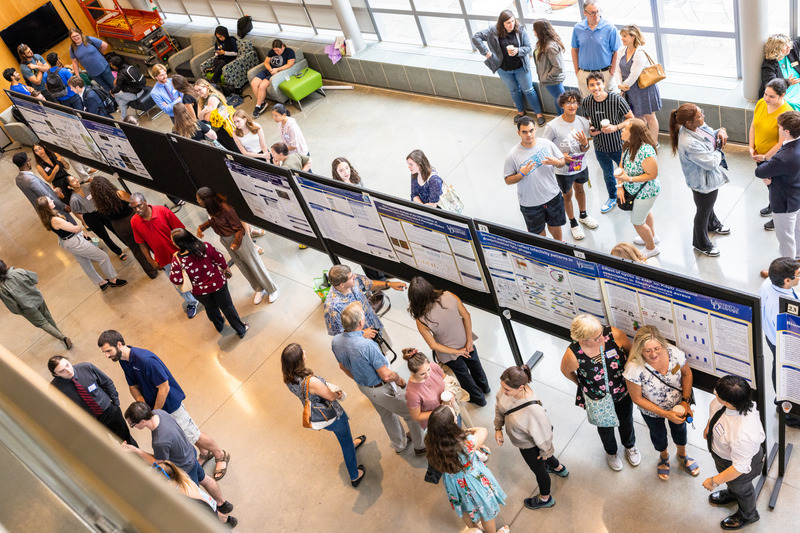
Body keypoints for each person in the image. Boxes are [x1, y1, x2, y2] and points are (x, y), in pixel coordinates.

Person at [98, 329, 231, 480]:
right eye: (104, 352)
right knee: (184, 435)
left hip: (169, 406)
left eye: (108, 351)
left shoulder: (146, 360)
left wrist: (154, 413)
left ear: (119, 344)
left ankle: (221, 455)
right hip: (155, 408)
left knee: (193, 434)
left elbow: (164, 388)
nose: (107, 355)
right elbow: (133, 386)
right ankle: (205, 453)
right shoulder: (124, 360)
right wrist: (142, 405)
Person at [332, 302, 426, 455]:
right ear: (361, 323)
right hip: (381, 388)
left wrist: (359, 377)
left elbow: (343, 367)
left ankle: (400, 444)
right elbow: (386, 375)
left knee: (386, 415)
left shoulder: (336, 341)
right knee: (411, 413)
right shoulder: (367, 346)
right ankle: (421, 446)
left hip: (364, 387)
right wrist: (398, 379)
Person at [122, 402, 234, 517]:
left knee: (199, 500)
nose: (133, 427)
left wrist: (136, 451)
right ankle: (223, 504)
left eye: (132, 425)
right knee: (204, 478)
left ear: (142, 422)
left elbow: (161, 464)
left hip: (185, 468)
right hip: (190, 453)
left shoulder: (159, 441)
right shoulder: (159, 413)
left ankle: (222, 518)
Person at [560, 314, 640, 471]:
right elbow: (566, 371)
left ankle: (630, 445)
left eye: (601, 333)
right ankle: (611, 452)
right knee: (604, 427)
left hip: (622, 391)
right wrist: (581, 384)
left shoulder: (614, 335)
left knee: (626, 419)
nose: (603, 338)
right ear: (582, 340)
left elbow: (631, 351)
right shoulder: (573, 354)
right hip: (596, 397)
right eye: (596, 338)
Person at [281, 343, 367, 486]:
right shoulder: (311, 382)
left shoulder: (289, 379)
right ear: (298, 361)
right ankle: (354, 475)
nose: (305, 351)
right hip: (333, 415)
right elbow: (331, 397)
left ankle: (351, 444)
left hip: (319, 416)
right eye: (302, 352)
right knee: (345, 443)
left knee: (343, 437)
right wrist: (337, 393)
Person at [623, 326, 698, 481]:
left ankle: (682, 454)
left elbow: (686, 373)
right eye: (647, 351)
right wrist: (665, 414)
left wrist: (685, 402)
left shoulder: (674, 354)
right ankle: (664, 457)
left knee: (680, 430)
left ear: (663, 344)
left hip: (678, 404)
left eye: (657, 348)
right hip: (652, 411)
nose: (654, 354)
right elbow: (637, 399)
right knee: (658, 435)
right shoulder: (634, 368)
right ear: (639, 349)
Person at [407, 276, 490, 407]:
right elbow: (466, 316)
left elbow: (433, 345)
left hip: (449, 353)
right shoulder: (449, 295)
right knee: (476, 367)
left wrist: (457, 351)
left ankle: (478, 399)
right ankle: (485, 388)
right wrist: (469, 340)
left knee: (464, 377)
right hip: (466, 342)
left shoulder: (421, 319)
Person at [495, 365, 567, 510]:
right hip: (525, 439)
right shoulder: (507, 390)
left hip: (530, 445)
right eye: (502, 387)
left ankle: (545, 498)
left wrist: (545, 452)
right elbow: (499, 407)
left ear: (521, 387)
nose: (503, 391)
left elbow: (544, 434)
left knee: (539, 469)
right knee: (543, 461)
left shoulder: (534, 410)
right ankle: (559, 469)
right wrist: (498, 428)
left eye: (507, 390)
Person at [426, 406, 508, 533]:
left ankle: (474, 529)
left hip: (451, 480)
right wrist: (462, 431)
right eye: (455, 416)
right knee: (485, 510)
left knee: (463, 506)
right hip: (472, 480)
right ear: (452, 426)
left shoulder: (430, 438)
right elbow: (482, 430)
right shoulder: (466, 443)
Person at [702, 375, 766, 530]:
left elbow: (739, 468)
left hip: (738, 465)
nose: (714, 391)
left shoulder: (743, 434)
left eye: (717, 391)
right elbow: (714, 416)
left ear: (728, 402)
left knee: (742, 489)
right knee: (733, 485)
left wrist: (713, 481)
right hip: (723, 456)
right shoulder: (720, 403)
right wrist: (708, 428)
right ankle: (732, 493)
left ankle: (749, 515)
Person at [196, 187, 279, 305]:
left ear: (206, 200)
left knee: (254, 264)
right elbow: (212, 221)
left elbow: (240, 229)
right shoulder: (211, 208)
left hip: (238, 240)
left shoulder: (226, 210)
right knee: (242, 266)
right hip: (225, 239)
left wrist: (236, 243)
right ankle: (258, 288)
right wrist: (202, 227)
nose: (197, 201)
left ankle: (272, 288)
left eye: (198, 199)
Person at [670, 103, 731, 258]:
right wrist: (719, 149)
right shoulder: (688, 142)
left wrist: (721, 131)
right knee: (702, 211)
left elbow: (712, 133)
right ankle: (701, 243)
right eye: (699, 115)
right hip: (702, 182)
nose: (703, 116)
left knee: (708, 205)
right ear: (689, 122)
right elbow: (711, 162)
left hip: (708, 178)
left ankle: (712, 224)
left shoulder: (699, 126)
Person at [168, 228, 250, 338]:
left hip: (200, 292)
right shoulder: (204, 247)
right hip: (218, 284)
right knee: (227, 307)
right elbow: (219, 258)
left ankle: (219, 326)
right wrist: (225, 268)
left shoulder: (178, 260)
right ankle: (240, 329)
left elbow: (176, 279)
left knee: (210, 308)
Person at [129, 193, 199, 318]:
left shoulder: (162, 211)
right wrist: (151, 261)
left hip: (181, 253)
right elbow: (142, 244)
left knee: (194, 274)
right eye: (134, 208)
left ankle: (204, 293)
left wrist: (190, 248)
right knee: (178, 282)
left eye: (139, 206)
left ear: (145, 201)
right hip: (164, 259)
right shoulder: (134, 222)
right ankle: (191, 302)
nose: (137, 210)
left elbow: (181, 231)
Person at [541, 89, 598, 240]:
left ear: (578, 104)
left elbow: (585, 148)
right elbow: (544, 148)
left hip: (580, 165)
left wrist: (585, 143)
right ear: (562, 104)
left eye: (574, 102)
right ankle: (573, 223)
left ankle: (583, 215)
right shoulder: (552, 126)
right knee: (567, 195)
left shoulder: (583, 122)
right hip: (563, 170)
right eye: (568, 102)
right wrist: (561, 156)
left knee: (580, 189)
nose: (571, 105)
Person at [35, 197, 127, 290]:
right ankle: (113, 280)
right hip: (75, 242)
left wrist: (78, 232)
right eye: (49, 201)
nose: (52, 200)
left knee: (84, 262)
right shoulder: (55, 219)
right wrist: (81, 227)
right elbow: (74, 229)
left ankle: (101, 282)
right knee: (103, 256)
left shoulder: (49, 217)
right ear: (47, 206)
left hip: (69, 242)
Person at [471, 10, 545, 125]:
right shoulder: (492, 31)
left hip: (521, 67)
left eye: (512, 21)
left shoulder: (520, 29)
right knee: (514, 91)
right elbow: (476, 37)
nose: (512, 25)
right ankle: (521, 112)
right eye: (508, 23)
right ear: (502, 24)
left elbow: (528, 48)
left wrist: (518, 51)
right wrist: (487, 53)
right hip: (503, 69)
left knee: (528, 90)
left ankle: (538, 113)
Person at [48, 355, 137, 447]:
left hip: (109, 412)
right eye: (62, 371)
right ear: (56, 375)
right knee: (105, 448)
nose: (68, 370)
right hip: (91, 422)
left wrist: (115, 402)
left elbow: (107, 382)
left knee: (127, 441)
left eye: (67, 365)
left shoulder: (86, 367)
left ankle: (141, 460)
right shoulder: (55, 388)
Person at [503, 116, 566, 240]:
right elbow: (507, 180)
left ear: (535, 130)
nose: (529, 135)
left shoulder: (547, 144)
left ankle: (560, 249)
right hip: (530, 204)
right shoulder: (512, 155)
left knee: (555, 226)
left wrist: (557, 162)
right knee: (538, 235)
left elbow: (562, 161)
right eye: (524, 132)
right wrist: (521, 174)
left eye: (531, 130)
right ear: (518, 133)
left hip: (552, 196)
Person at [581, 72, 635, 214]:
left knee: (625, 171)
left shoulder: (616, 99)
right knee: (608, 173)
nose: (596, 87)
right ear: (588, 87)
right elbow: (586, 119)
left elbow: (631, 119)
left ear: (604, 84)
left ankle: (631, 197)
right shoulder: (587, 102)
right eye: (592, 85)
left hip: (619, 145)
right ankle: (612, 197)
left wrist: (616, 127)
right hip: (600, 146)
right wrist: (591, 129)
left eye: (598, 83)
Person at [755, 111, 800, 269]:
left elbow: (760, 171)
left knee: (786, 238)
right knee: (797, 231)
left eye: (779, 127)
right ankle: (798, 259)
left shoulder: (785, 156)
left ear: (786, 131)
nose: (778, 129)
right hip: (796, 195)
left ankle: (788, 270)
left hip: (784, 201)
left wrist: (769, 176)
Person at [90, 176, 159, 279]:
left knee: (136, 249)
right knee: (149, 241)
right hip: (132, 220)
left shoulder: (99, 203)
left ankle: (151, 272)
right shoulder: (119, 193)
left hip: (118, 226)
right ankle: (161, 262)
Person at [751, 78, 792, 230]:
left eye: (771, 96)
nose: (766, 98)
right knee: (771, 187)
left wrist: (765, 157)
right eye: (765, 94)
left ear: (782, 96)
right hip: (760, 155)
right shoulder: (762, 103)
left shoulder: (786, 113)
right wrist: (751, 147)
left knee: (778, 189)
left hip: (774, 158)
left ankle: (779, 217)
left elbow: (781, 142)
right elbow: (753, 126)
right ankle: (772, 205)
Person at [0, 260, 71, 349]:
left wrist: (20, 311)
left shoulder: (2, 288)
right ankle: (58, 332)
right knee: (48, 317)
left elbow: (11, 304)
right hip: (38, 298)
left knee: (42, 323)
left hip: (27, 308)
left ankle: (62, 337)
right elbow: (34, 278)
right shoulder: (18, 271)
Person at [616, 118, 661, 259]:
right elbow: (621, 167)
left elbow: (652, 175)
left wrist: (629, 179)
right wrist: (620, 186)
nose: (622, 130)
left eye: (625, 129)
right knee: (646, 212)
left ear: (634, 133)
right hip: (634, 190)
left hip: (646, 192)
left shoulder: (646, 152)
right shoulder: (627, 145)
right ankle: (652, 236)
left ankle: (651, 248)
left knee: (637, 221)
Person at [323, 264, 406, 338]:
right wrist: (361, 334)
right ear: (342, 284)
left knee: (385, 351)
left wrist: (389, 284)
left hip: (375, 324)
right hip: (361, 340)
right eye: (351, 277)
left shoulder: (353, 280)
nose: (354, 276)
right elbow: (338, 335)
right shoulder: (332, 307)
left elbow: (368, 284)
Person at [758, 257, 800, 393]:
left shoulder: (768, 283)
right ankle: (781, 402)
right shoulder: (782, 305)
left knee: (777, 365)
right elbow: (791, 331)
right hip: (782, 342)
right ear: (787, 280)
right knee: (783, 370)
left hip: (770, 334)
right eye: (798, 275)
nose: (799, 277)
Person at [157, 461, 237, 527]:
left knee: (215, 519)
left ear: (168, 482)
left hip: (207, 511)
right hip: (208, 504)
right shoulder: (181, 478)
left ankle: (224, 520)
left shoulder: (186, 495)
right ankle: (224, 518)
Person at [618, 25, 662, 141]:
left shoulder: (639, 53)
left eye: (624, 36)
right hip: (630, 89)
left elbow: (634, 74)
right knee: (637, 117)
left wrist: (623, 88)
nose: (622, 39)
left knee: (649, 116)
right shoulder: (622, 50)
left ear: (633, 37)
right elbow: (618, 70)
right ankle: (643, 140)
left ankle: (653, 142)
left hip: (644, 89)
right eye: (621, 36)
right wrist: (620, 84)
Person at [67, 175, 126, 261]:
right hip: (90, 217)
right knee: (105, 236)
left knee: (115, 229)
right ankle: (119, 252)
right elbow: (75, 211)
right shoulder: (74, 199)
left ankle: (127, 243)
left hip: (101, 210)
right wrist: (83, 220)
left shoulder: (88, 186)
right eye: (73, 181)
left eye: (75, 178)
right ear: (69, 187)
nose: (76, 181)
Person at [571, 0, 622, 97]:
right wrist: (577, 71)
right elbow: (574, 50)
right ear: (585, 13)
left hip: (604, 74)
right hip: (584, 74)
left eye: (598, 11)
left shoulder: (610, 28)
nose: (596, 15)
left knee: (609, 105)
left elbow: (616, 51)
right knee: (589, 105)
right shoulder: (578, 28)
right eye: (592, 13)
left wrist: (611, 72)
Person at [251, 39, 296, 118]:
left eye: (278, 50)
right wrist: (270, 69)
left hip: (277, 72)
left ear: (282, 46)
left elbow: (290, 64)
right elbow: (266, 62)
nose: (276, 53)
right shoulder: (272, 51)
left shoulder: (289, 51)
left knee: (262, 86)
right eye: (275, 51)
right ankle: (263, 103)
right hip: (269, 70)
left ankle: (257, 107)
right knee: (254, 83)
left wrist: (277, 69)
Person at [402, 348, 446, 429]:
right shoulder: (412, 393)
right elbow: (416, 416)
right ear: (412, 372)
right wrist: (441, 411)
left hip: (449, 411)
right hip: (435, 423)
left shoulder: (433, 366)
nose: (428, 375)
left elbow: (445, 379)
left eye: (428, 370)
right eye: (422, 374)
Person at [532, 19, 565, 115]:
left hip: (553, 81)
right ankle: (560, 118)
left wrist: (547, 77)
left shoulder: (550, 47)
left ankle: (565, 121)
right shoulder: (541, 43)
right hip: (549, 80)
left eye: (534, 30)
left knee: (562, 102)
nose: (533, 32)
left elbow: (558, 67)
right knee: (558, 100)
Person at [195, 78, 238, 152]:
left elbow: (208, 118)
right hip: (216, 129)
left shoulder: (212, 97)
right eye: (196, 91)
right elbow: (200, 117)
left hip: (224, 128)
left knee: (236, 149)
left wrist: (203, 113)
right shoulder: (201, 100)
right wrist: (204, 111)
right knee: (231, 150)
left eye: (200, 89)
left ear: (206, 87)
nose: (198, 92)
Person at [759, 34, 800, 107]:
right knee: (793, 104)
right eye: (784, 45)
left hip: (798, 87)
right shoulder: (768, 65)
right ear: (776, 49)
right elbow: (772, 84)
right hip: (783, 94)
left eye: (788, 43)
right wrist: (788, 82)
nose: (788, 46)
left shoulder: (791, 51)